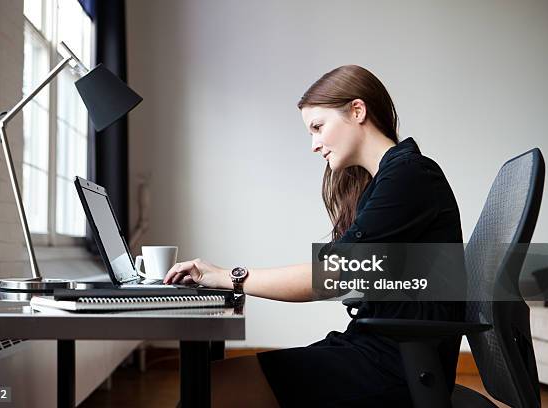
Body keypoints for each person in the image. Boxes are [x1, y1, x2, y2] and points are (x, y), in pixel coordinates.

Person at [163, 65, 464, 407]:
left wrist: (228, 276)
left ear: (357, 110)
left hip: (396, 367)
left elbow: (329, 276)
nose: (314, 144)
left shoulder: (408, 176)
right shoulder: (387, 181)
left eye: (318, 127)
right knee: (209, 383)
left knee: (209, 388)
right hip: (379, 352)